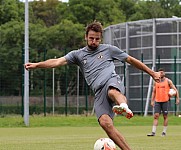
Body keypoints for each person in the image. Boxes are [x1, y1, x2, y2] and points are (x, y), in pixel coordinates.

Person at [25, 21, 161, 150]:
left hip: (111, 80)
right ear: (86, 37)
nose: (94, 41)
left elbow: (130, 60)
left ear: (100, 38)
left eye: (97, 39)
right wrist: (37, 65)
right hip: (98, 91)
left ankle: (124, 107)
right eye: (91, 38)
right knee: (105, 123)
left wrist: (151, 73)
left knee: (112, 91)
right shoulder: (77, 55)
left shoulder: (109, 50)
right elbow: (56, 62)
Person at [147, 68, 180, 137]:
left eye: (162, 72)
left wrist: (177, 98)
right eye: (160, 72)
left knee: (165, 116)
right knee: (156, 116)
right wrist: (152, 101)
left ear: (164, 73)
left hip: (165, 101)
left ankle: (164, 132)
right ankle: (153, 132)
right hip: (157, 101)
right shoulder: (156, 81)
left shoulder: (168, 81)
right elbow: (154, 92)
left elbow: (175, 90)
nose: (161, 73)